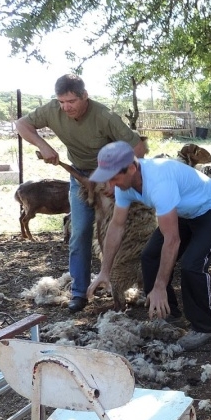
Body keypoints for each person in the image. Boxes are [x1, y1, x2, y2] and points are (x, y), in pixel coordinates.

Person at [15, 74, 147, 313]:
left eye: (72, 101)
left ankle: (127, 285)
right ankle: (79, 292)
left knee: (117, 233)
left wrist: (116, 175)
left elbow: (139, 147)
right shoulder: (53, 110)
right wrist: (43, 145)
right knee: (79, 232)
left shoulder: (104, 116)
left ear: (85, 96)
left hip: (108, 178)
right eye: (62, 102)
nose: (66, 107)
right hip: (79, 179)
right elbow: (21, 124)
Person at [86, 141, 211, 351]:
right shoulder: (123, 185)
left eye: (114, 178)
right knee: (149, 256)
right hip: (182, 212)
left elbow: (172, 240)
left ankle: (205, 328)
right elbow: (116, 227)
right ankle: (169, 313)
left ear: (132, 168)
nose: (110, 186)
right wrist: (104, 271)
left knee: (192, 265)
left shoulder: (159, 183)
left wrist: (160, 285)